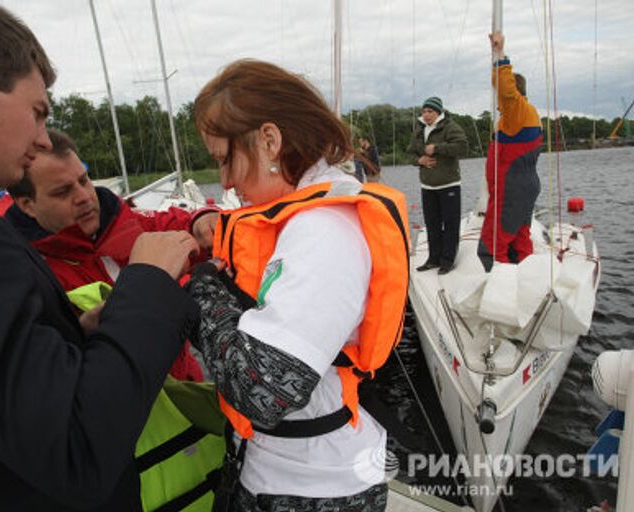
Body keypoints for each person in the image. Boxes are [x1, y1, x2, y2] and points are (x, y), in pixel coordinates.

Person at [0, 2, 201, 511]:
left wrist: (71, 337)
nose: (43, 138)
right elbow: (72, 443)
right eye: (38, 112)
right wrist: (149, 284)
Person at [185, 59, 410, 511]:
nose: (225, 181)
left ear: (269, 140)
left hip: (313, 488)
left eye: (225, 160)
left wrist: (202, 292)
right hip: (285, 470)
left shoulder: (326, 231)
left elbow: (265, 392)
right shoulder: (304, 215)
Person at [5, 127, 218, 381]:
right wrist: (80, 335)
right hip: (123, 412)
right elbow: (33, 370)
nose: (84, 197)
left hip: (188, 396)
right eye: (63, 192)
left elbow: (179, 225)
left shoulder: (124, 222)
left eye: (84, 180)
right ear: (27, 205)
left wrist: (201, 219)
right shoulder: (20, 272)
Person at [477, 31, 542, 272]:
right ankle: (525, 274)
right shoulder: (517, 118)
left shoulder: (518, 111)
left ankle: (497, 279)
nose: (499, 100)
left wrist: (499, 53)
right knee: (519, 234)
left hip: (512, 188)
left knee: (496, 238)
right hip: (521, 186)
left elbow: (505, 89)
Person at [407, 96, 469, 274]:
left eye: (430, 111)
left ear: (438, 112)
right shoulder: (419, 129)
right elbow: (409, 153)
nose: (426, 115)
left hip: (448, 185)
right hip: (427, 186)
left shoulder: (450, 127)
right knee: (432, 224)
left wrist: (437, 148)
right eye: (424, 111)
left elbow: (462, 147)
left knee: (450, 225)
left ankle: (447, 261)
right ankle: (433, 259)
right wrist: (419, 160)